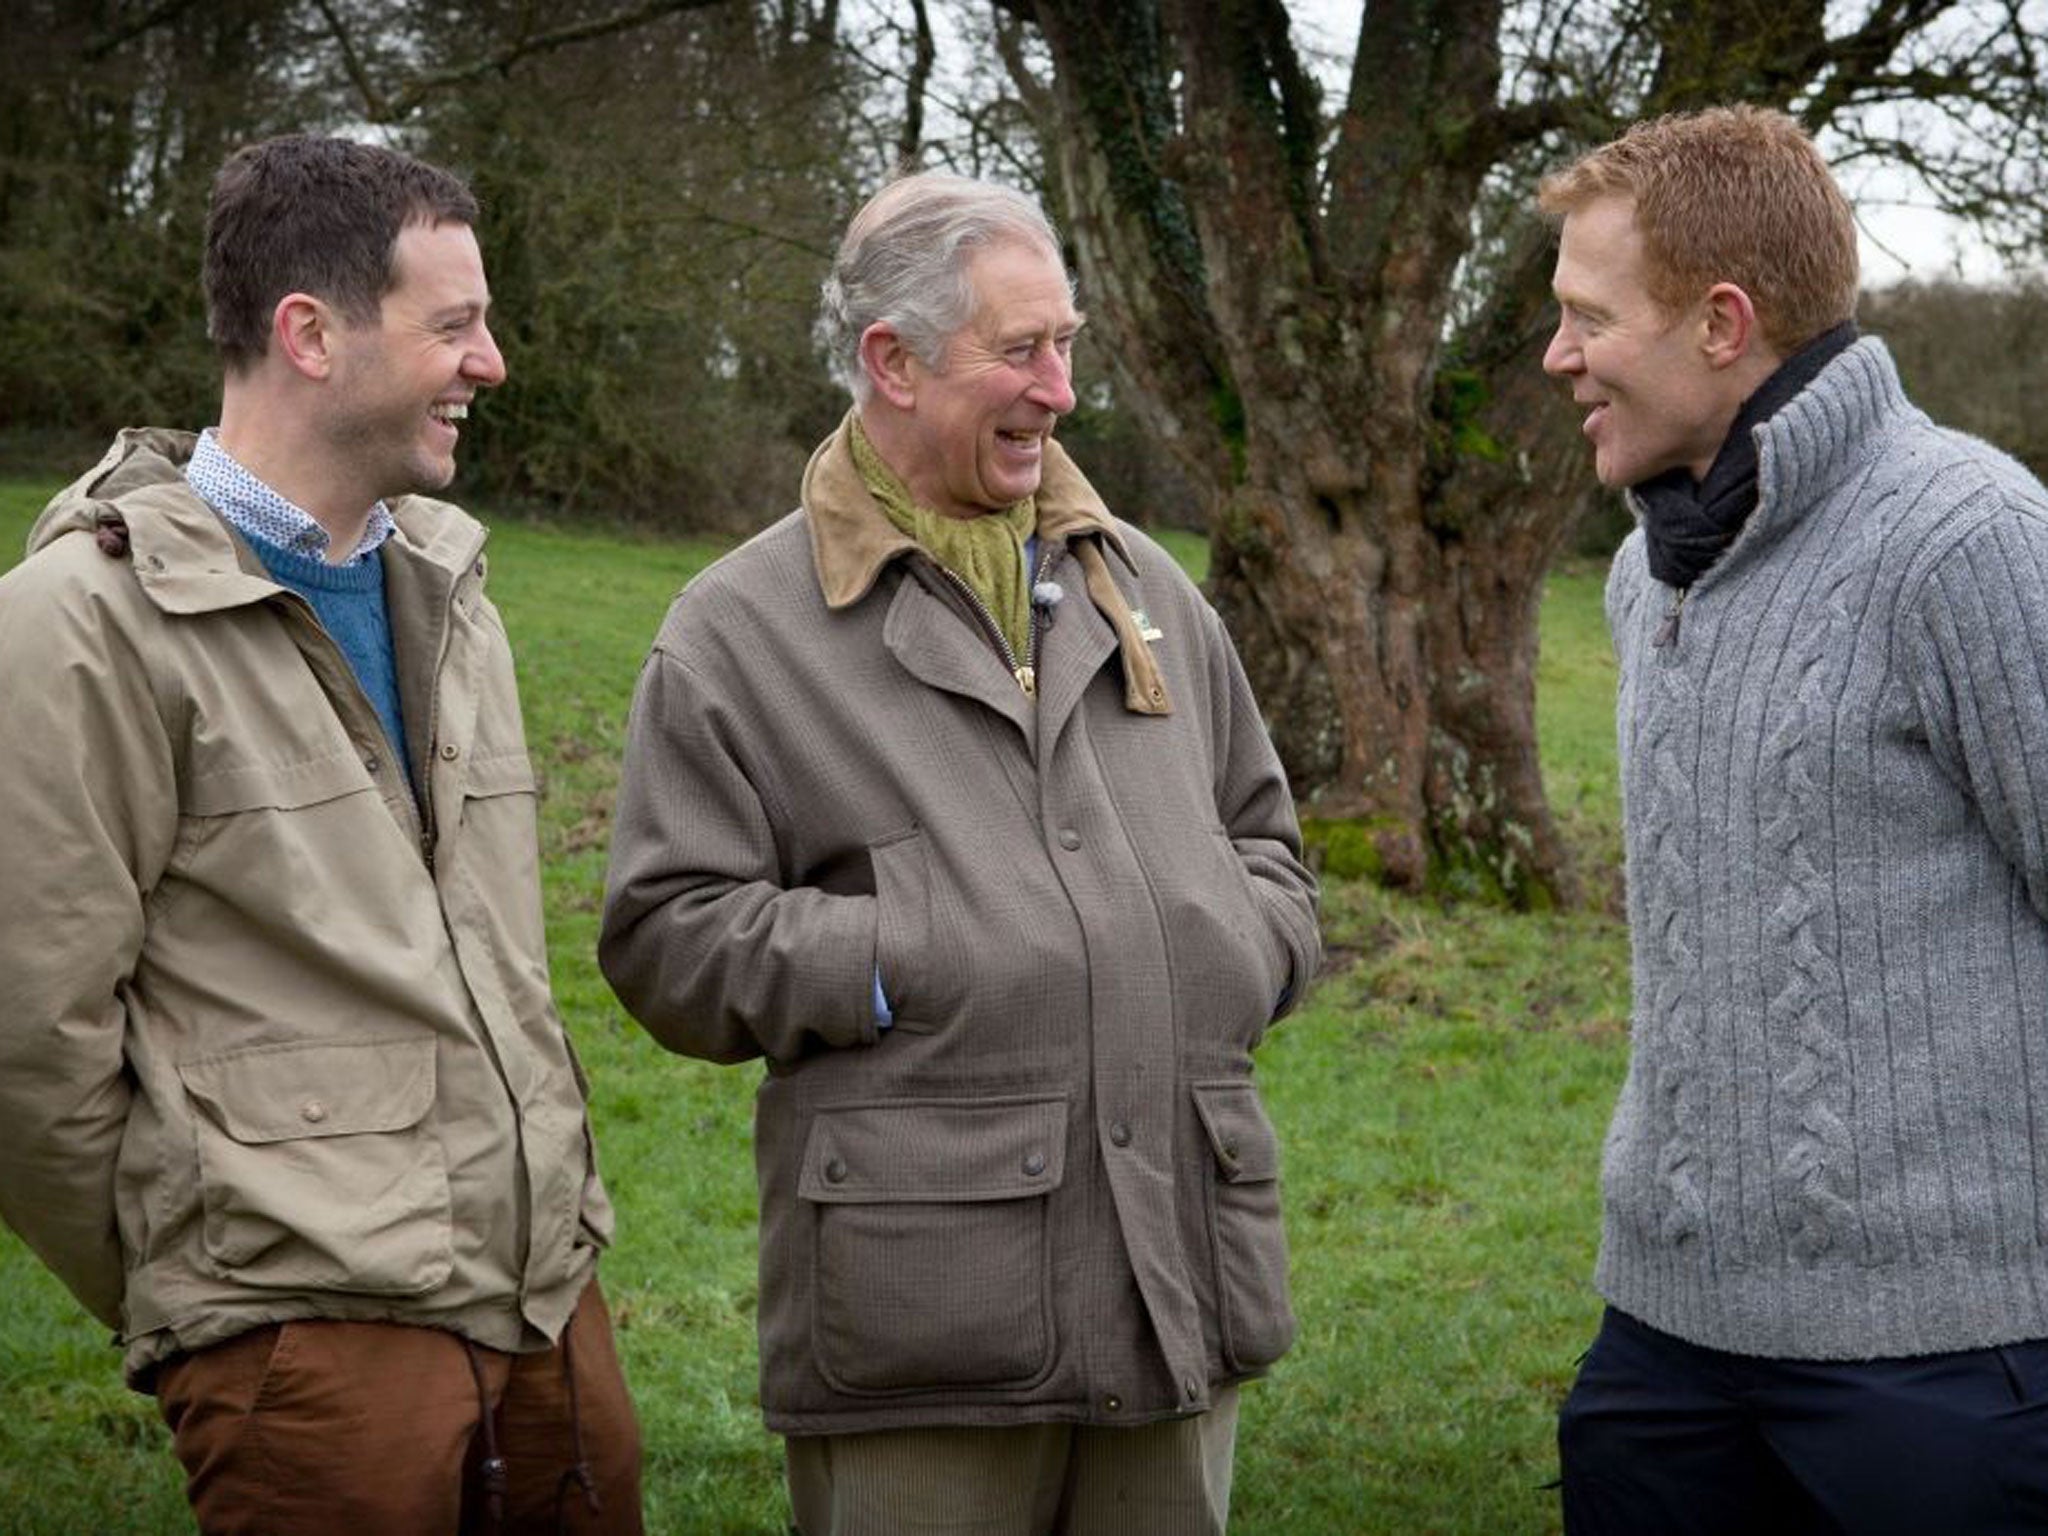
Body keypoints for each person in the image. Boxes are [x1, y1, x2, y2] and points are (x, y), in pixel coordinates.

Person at [598, 171, 1320, 1536]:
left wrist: (1232, 949)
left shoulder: (1150, 588)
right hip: (923, 1328)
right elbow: (664, 937)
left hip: (1178, 1283)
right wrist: (903, 952)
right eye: (1022, 350)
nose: (1060, 390)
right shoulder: (737, 631)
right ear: (895, 362)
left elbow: (1267, 846)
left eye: (1069, 344)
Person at [0, 134, 642, 1534]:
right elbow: (28, 1037)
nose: (493, 363)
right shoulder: (81, 626)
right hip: (309, 1349)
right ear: (308, 333)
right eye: (456, 326)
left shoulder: (453, 594)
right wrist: (215, 1293)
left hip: (545, 1308)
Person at [1540, 105, 2048, 1534]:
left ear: (1722, 322)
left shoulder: (1970, 538)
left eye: (1589, 317)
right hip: (1664, 1344)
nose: (1556, 357)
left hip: (1949, 1369)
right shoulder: (1651, 573)